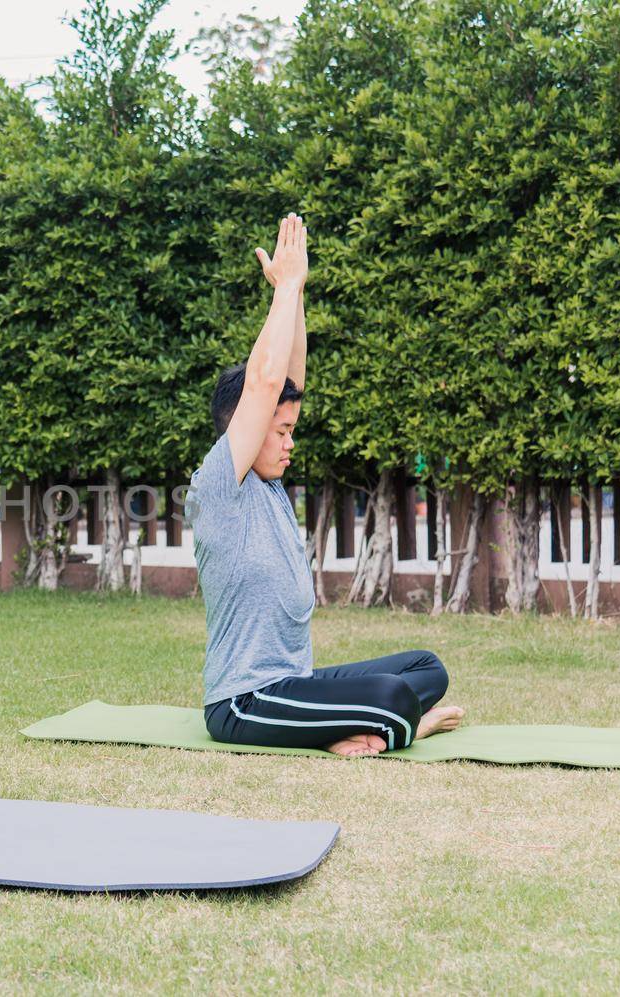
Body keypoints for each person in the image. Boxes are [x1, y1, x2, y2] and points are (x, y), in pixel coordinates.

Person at [185, 213, 465, 757]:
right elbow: (266, 383)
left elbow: (288, 378)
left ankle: (366, 721)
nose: (291, 442)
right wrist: (283, 289)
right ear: (245, 425)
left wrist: (299, 293)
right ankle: (400, 726)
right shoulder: (220, 482)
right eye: (281, 431)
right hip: (246, 701)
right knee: (393, 696)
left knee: (425, 669)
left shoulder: (266, 486)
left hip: (296, 683)